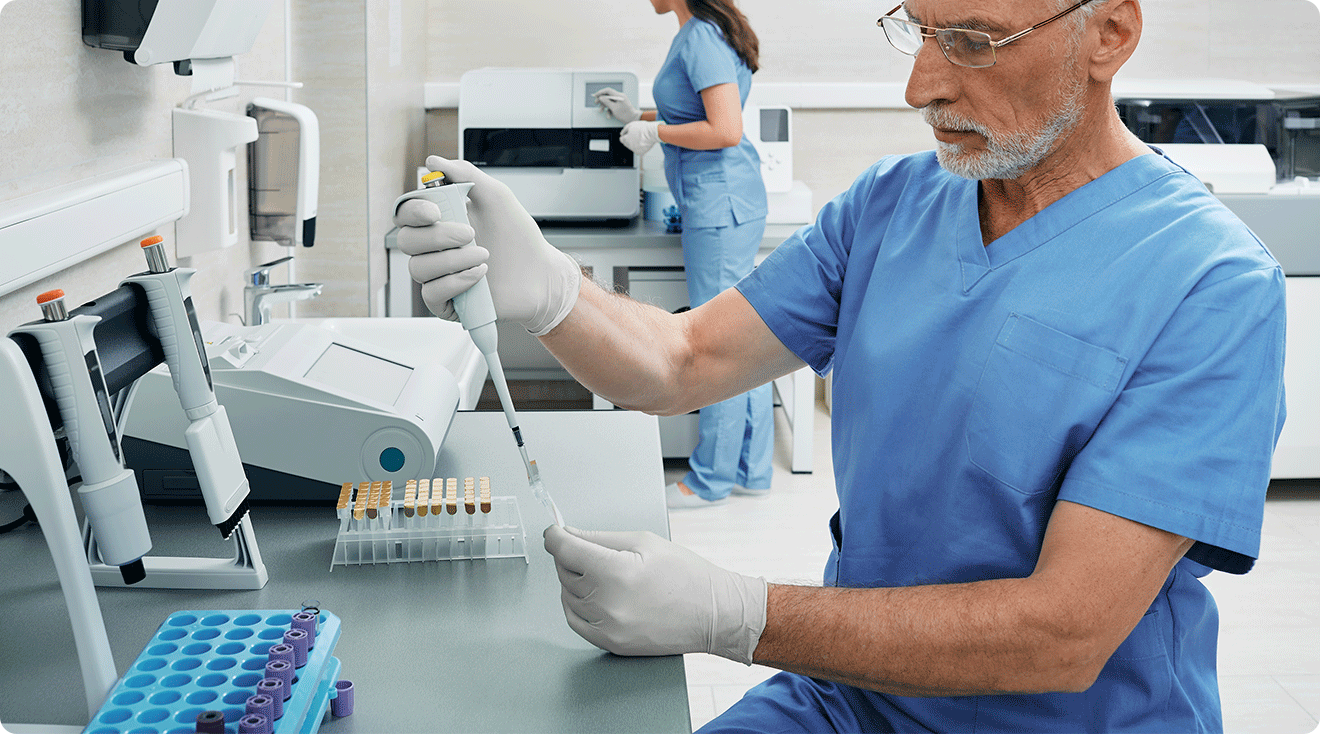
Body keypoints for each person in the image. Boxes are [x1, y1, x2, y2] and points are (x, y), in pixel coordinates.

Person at [394, 0, 1288, 730]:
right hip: (851, 697)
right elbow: (682, 359)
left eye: (971, 40)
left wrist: (738, 613)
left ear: (1110, 34)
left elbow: (1060, 635)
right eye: (916, 29)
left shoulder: (1209, 283)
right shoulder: (891, 207)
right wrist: (552, 289)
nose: (920, 85)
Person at [592, 0, 774, 509]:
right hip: (722, 201)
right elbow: (696, 110)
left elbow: (725, 129)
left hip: (719, 205)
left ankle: (710, 480)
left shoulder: (701, 39)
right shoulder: (702, 32)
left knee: (719, 343)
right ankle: (751, 470)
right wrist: (641, 116)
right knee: (746, 336)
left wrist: (656, 133)